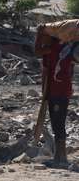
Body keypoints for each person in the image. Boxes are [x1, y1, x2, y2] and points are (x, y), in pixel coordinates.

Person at [34, 27, 73, 167]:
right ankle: (60, 156)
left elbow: (36, 51)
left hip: (57, 91)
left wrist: (39, 35)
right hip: (62, 90)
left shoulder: (53, 48)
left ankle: (60, 158)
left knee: (58, 124)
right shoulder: (66, 47)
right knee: (58, 123)